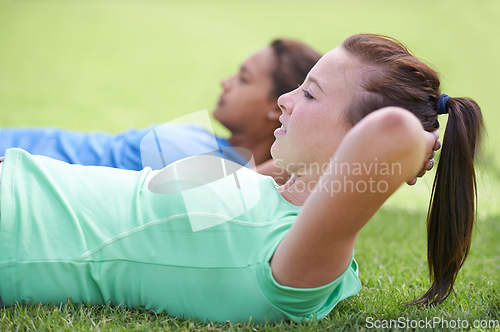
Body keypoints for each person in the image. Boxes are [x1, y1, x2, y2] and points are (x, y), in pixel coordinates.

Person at [0, 34, 482, 323]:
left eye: (310, 95)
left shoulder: (298, 261)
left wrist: (416, 145)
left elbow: (391, 133)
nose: (286, 101)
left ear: (359, 141)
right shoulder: (265, 194)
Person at [0, 39, 321, 172]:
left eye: (244, 78)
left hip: (19, 165)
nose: (225, 82)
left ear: (277, 106)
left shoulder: (229, 174)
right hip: (21, 146)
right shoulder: (222, 154)